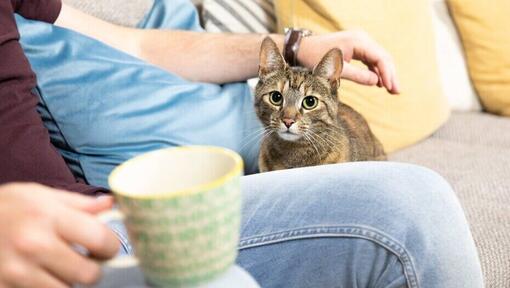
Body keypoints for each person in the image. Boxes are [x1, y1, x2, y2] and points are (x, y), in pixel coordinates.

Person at [0, 0, 483, 287]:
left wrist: (296, 46)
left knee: (418, 202)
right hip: (55, 241)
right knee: (413, 206)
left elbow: (139, 46)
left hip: (99, 220)